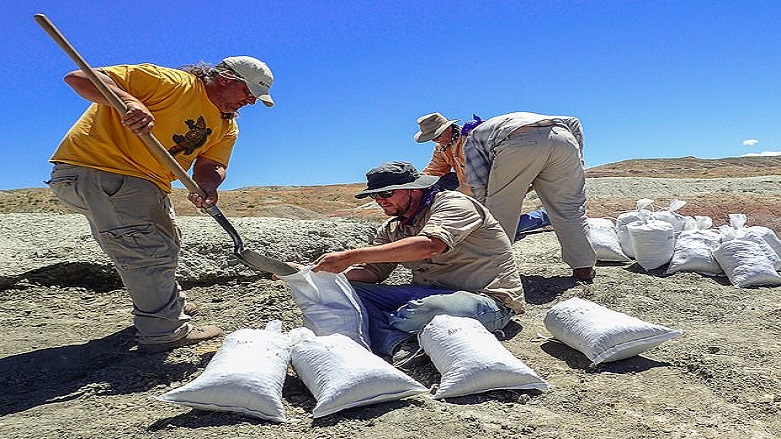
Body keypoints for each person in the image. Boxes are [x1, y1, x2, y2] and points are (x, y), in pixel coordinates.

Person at [46, 56, 275, 353]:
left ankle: (167, 306)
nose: (251, 102)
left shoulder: (226, 125)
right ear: (226, 79)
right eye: (248, 93)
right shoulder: (170, 83)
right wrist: (130, 102)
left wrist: (207, 184)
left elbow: (212, 163)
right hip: (106, 169)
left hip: (145, 182)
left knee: (164, 243)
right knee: (147, 252)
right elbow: (79, 77)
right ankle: (164, 331)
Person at [311, 161, 525, 366]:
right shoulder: (392, 228)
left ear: (414, 190)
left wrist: (350, 256)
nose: (380, 200)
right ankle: (400, 342)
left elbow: (430, 245)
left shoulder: (454, 203)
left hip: (485, 300)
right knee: (344, 292)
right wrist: (315, 273)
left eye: (386, 193)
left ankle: (380, 324)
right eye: (375, 195)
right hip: (424, 295)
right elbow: (373, 272)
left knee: (426, 310)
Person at [463, 111, 597, 282]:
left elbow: (478, 181)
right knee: (569, 207)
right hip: (564, 138)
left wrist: (485, 208)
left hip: (518, 142)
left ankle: (492, 271)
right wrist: (578, 160)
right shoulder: (505, 121)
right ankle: (583, 268)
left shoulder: (472, 138)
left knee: (501, 211)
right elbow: (574, 121)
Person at [414, 112, 553, 237]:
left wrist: (457, 196)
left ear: (448, 128)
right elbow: (433, 171)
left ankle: (545, 216)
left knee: (498, 230)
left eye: (437, 135)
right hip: (474, 190)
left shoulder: (473, 136)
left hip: (497, 183)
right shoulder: (442, 148)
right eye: (431, 138)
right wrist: (413, 185)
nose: (435, 140)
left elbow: (493, 165)